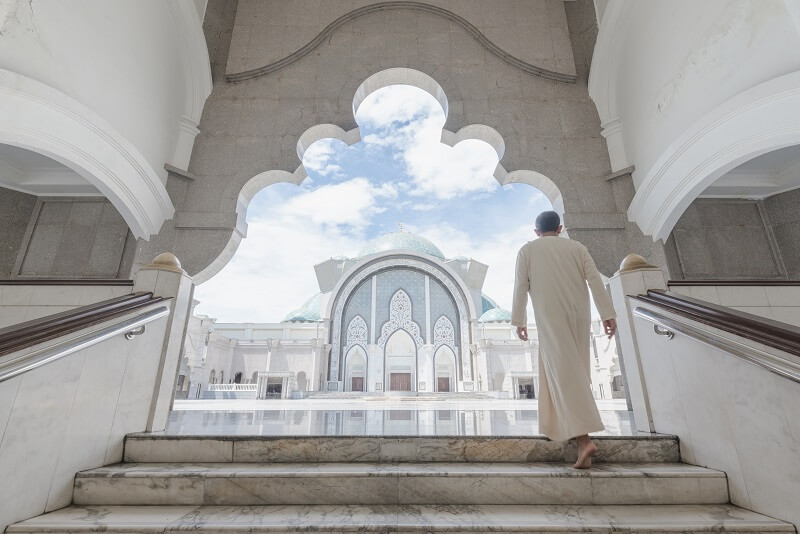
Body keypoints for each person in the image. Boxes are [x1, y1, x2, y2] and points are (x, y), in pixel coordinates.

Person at [511, 210, 617, 469]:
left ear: (536, 232)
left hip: (551, 317)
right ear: (560, 228)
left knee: (565, 373)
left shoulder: (528, 250)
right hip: (580, 314)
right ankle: (557, 427)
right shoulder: (577, 247)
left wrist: (519, 321)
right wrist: (607, 314)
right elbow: (594, 280)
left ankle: (584, 440)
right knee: (571, 371)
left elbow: (520, 286)